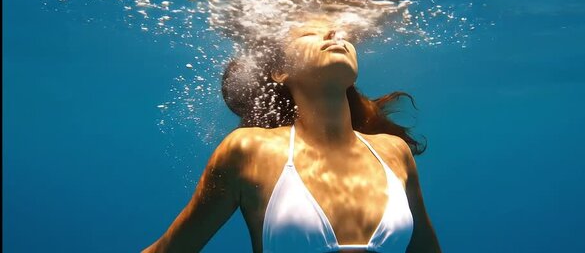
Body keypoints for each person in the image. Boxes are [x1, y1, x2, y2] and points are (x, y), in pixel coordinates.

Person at [142, 19, 441, 252]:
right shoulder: (249, 149)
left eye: (340, 32)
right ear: (281, 71)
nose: (333, 35)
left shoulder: (394, 152)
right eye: (309, 33)